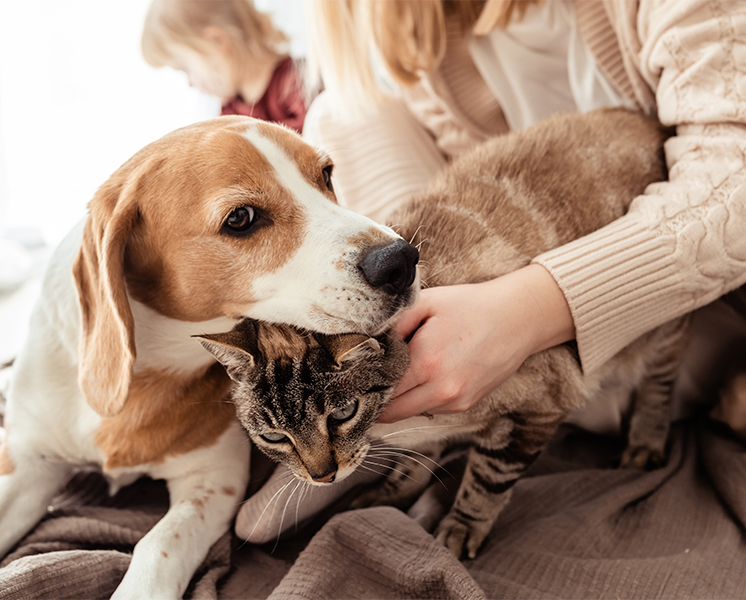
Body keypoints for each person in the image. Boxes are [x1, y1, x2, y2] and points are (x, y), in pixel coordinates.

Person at [235, 0, 746, 543]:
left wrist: (525, 311)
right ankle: (390, 407)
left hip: (686, 289)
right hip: (539, 240)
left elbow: (732, 185)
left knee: (577, 384)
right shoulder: (419, 23)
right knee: (343, 111)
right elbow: (478, 178)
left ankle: (421, 415)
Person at [141, 0, 308, 133]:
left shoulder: (297, 82)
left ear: (217, 40)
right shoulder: (229, 115)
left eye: (185, 69)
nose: (190, 83)